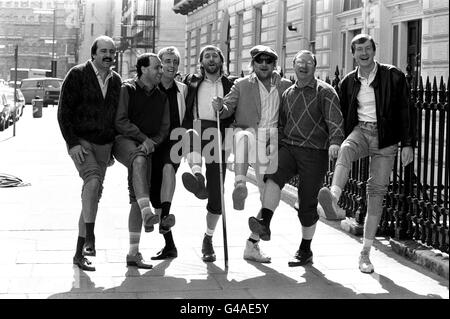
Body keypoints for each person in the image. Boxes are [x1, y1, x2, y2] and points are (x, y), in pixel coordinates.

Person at [318, 34, 415, 274]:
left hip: (387, 140)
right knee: (346, 150)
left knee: (376, 192)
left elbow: (406, 111)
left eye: (367, 48)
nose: (363, 53)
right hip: (361, 131)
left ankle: (365, 253)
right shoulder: (349, 82)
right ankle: (333, 198)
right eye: (359, 49)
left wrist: (409, 144)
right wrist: (335, 139)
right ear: (353, 53)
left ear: (374, 50)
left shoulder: (394, 76)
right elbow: (340, 115)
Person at [248, 50, 345, 267]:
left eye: (308, 63)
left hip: (314, 151)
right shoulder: (288, 93)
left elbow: (335, 120)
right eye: (300, 62)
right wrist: (277, 145)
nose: (303, 66)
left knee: (307, 204)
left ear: (314, 67)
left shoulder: (325, 92)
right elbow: (282, 124)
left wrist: (336, 141)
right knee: (272, 177)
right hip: (290, 147)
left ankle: (305, 249)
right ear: (293, 65)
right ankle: (265, 221)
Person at [211, 45, 292, 263]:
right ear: (253, 64)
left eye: (268, 61)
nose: (263, 64)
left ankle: (252, 243)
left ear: (274, 64)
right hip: (246, 136)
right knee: (243, 136)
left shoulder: (285, 86)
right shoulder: (241, 84)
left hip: (271, 142)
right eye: (259, 61)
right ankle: (240, 184)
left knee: (269, 197)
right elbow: (227, 107)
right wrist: (220, 106)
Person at [57, 35, 122, 271]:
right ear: (93, 53)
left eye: (112, 52)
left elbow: (116, 118)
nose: (108, 55)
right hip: (82, 144)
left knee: (92, 196)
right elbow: (63, 112)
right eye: (103, 51)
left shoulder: (116, 80)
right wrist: (72, 143)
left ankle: (78, 253)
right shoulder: (77, 74)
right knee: (92, 182)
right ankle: (91, 238)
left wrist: (114, 148)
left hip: (104, 146)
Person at [113, 53, 170, 269]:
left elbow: (164, 129)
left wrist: (152, 143)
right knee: (138, 159)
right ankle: (148, 212)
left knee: (137, 197)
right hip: (124, 141)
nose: (160, 71)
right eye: (156, 67)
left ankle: (133, 253)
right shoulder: (127, 90)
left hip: (147, 148)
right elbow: (120, 121)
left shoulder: (162, 97)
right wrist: (143, 139)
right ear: (143, 69)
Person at [182, 45, 235, 262]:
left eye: (215, 55)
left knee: (216, 194)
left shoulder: (230, 84)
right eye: (207, 56)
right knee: (192, 142)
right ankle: (197, 176)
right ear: (201, 61)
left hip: (220, 132)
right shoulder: (191, 81)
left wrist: (222, 110)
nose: (211, 59)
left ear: (221, 61)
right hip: (196, 126)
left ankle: (208, 238)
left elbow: (236, 112)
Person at [149, 46, 187, 260]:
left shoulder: (183, 89)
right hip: (153, 143)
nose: (171, 65)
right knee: (155, 197)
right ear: (160, 64)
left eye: (175, 62)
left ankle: (165, 214)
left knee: (167, 167)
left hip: (175, 142)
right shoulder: (150, 88)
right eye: (167, 61)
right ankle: (170, 245)